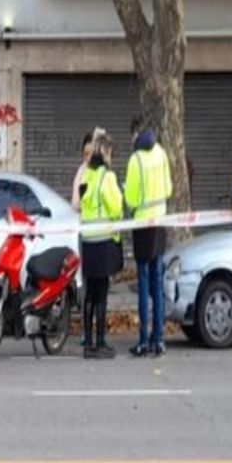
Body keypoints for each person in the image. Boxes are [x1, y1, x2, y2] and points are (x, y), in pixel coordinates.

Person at [124, 119, 172, 358]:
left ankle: (143, 339)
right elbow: (170, 189)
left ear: (137, 134)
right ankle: (159, 338)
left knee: (143, 281)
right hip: (161, 222)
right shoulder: (161, 153)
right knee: (157, 280)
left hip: (143, 224)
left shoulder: (136, 160)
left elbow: (131, 198)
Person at [78, 130, 122, 360]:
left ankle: (88, 345)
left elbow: (82, 200)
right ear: (105, 153)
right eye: (111, 153)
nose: (112, 158)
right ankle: (101, 342)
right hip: (103, 240)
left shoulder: (88, 175)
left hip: (88, 240)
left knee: (90, 295)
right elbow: (116, 208)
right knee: (102, 294)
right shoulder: (107, 177)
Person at [70, 129, 97, 210]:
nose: (88, 158)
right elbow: (75, 203)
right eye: (86, 154)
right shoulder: (81, 172)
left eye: (91, 154)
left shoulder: (103, 172)